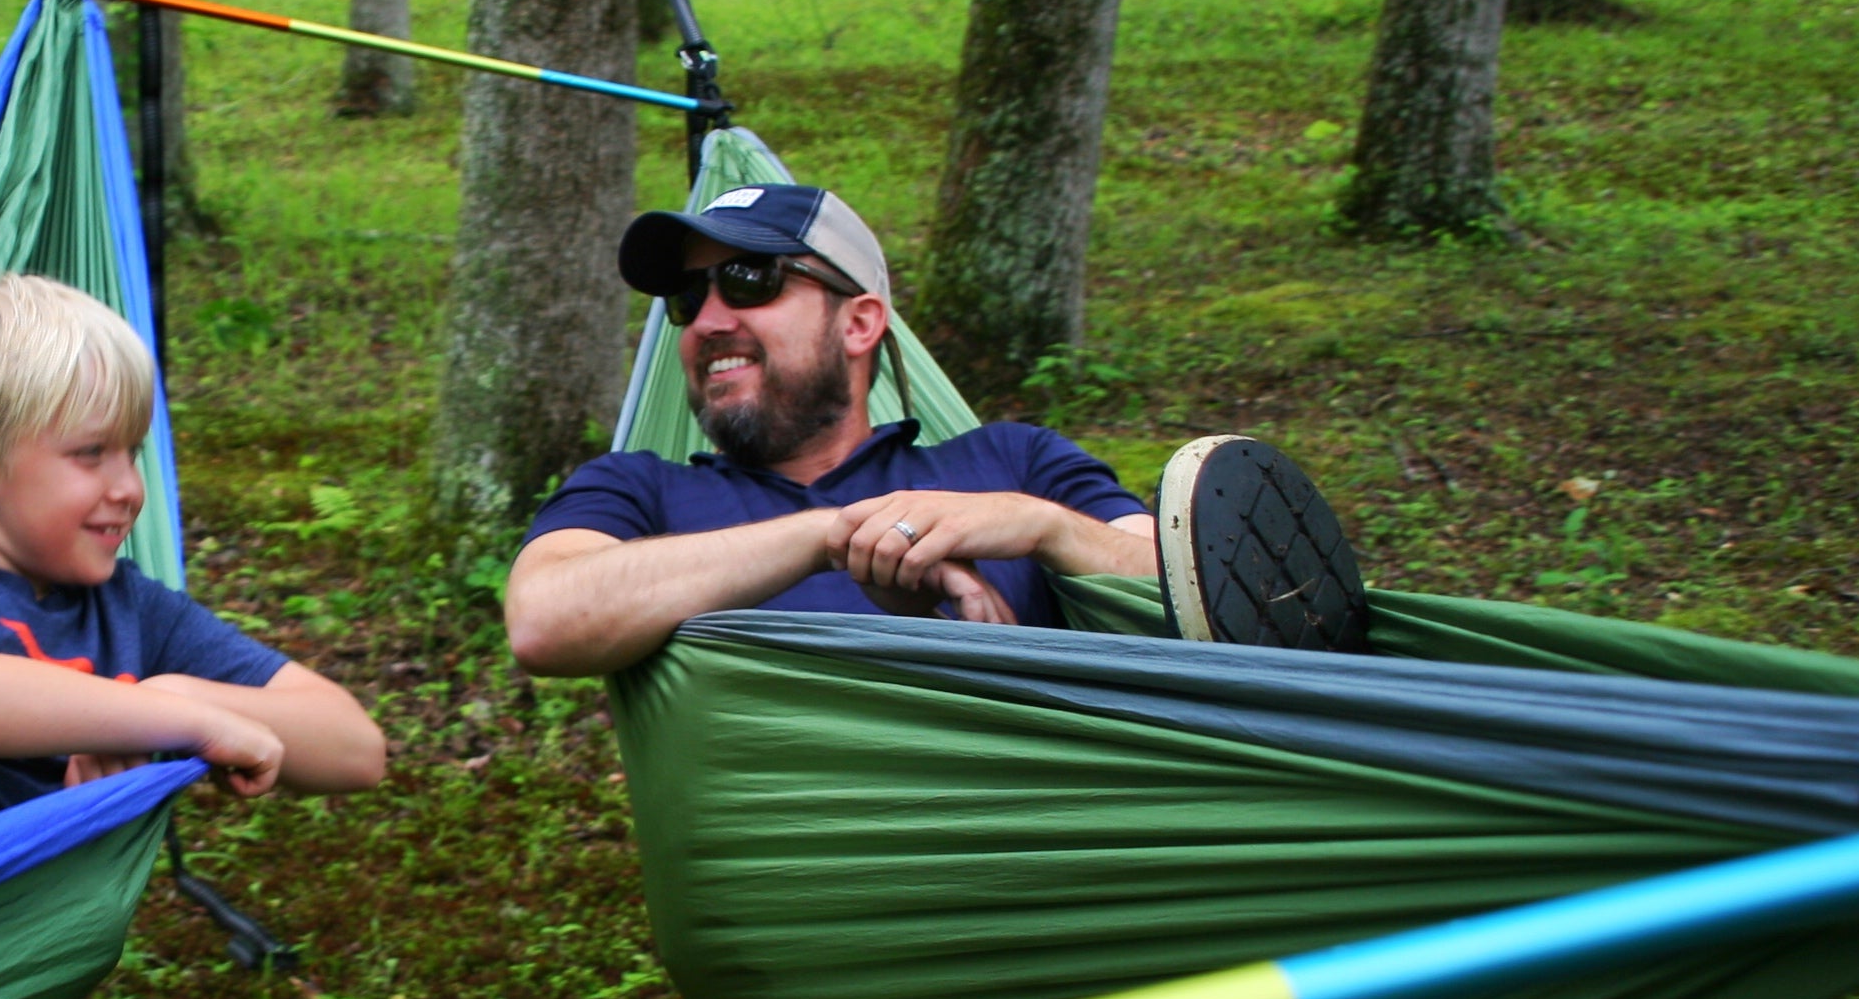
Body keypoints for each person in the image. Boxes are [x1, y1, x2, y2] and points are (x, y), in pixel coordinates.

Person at [506, 185, 1366, 677]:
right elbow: (542, 619)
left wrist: (1042, 526)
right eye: (687, 300)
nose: (707, 320)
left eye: (748, 278)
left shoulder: (1012, 461)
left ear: (860, 322)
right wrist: (829, 536)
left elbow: (1206, 592)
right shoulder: (639, 489)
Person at [0, 273, 385, 887]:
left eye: (131, 453)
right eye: (91, 453)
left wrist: (184, 697)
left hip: (25, 913)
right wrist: (170, 721)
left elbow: (356, 748)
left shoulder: (133, 611)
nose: (129, 489)